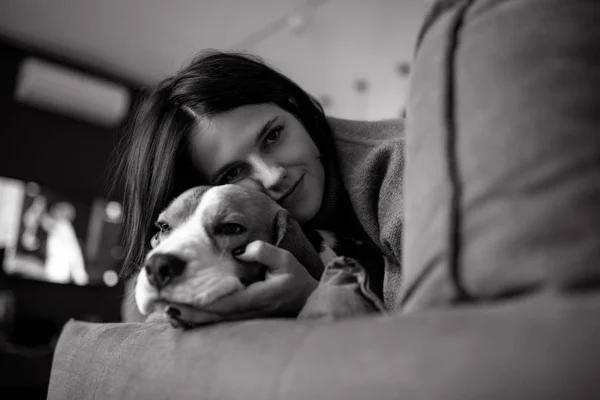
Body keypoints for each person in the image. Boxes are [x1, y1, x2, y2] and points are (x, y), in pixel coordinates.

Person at [115, 50, 403, 323]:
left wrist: (311, 296)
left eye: (273, 136)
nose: (273, 176)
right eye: (233, 173)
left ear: (295, 108)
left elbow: (432, 327)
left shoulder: (400, 166)